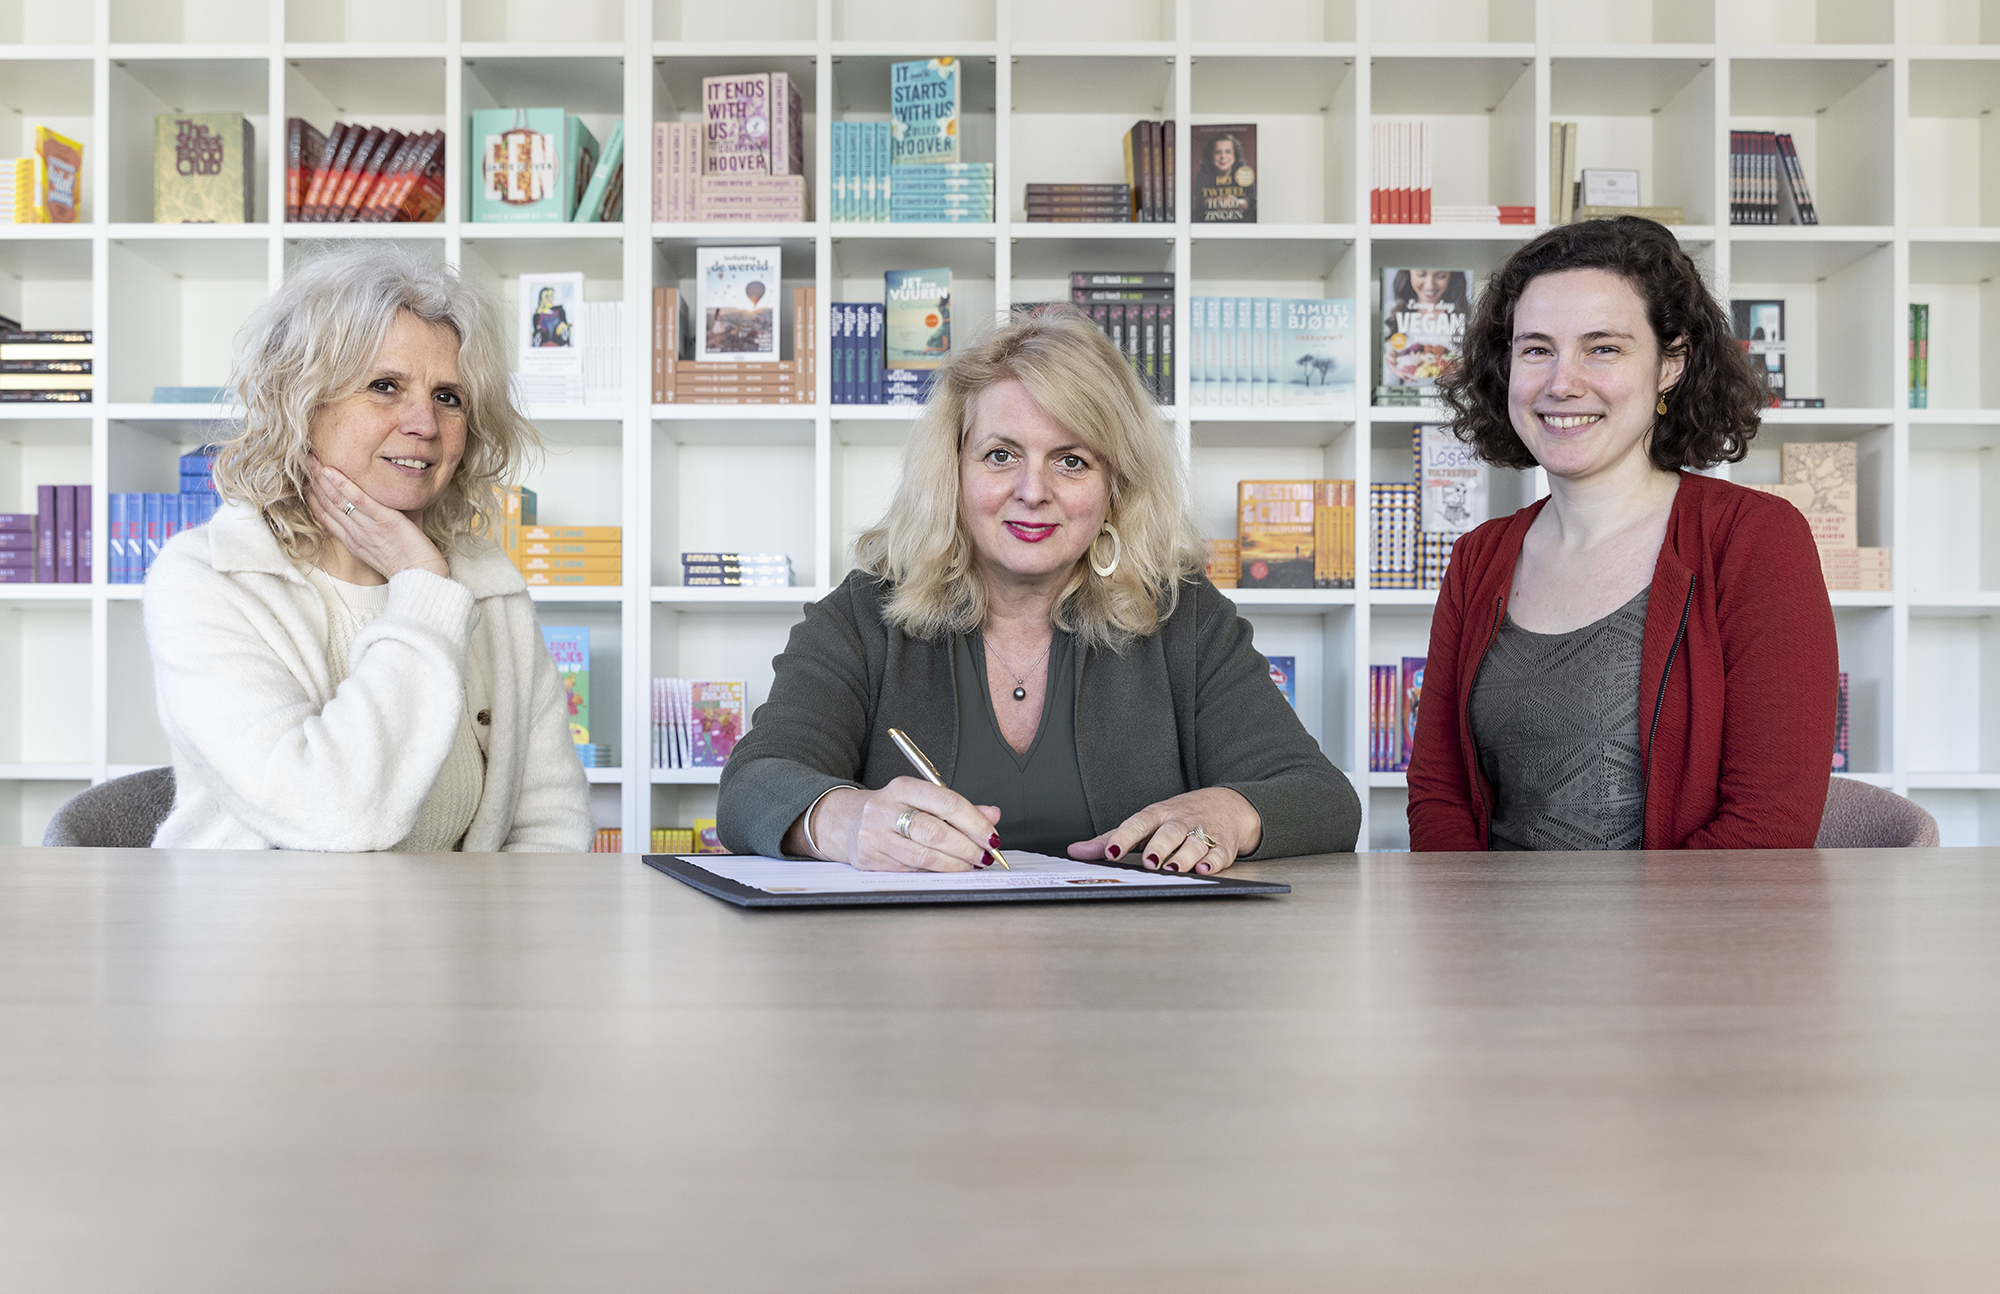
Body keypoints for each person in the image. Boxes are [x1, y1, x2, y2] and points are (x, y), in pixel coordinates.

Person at [717, 306, 1360, 872]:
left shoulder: (1184, 617)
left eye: (1071, 460)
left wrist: (1231, 810)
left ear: (1116, 485)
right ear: (955, 468)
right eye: (1001, 454)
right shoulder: (863, 614)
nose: (1032, 491)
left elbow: (1322, 797)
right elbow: (752, 785)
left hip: (1142, 982)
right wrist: (845, 821)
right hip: (909, 982)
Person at [142, 243, 593, 851]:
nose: (425, 424)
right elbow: (335, 816)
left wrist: (499, 946)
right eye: (385, 386)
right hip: (257, 940)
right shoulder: (207, 579)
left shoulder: (489, 581)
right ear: (299, 403)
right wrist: (421, 584)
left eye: (448, 397)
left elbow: (551, 828)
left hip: (461, 946)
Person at [1410, 216, 1837, 850]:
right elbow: (1438, 792)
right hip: (1492, 939)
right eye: (1536, 349)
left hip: (1685, 943)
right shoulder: (1480, 556)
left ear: (1671, 363)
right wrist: (1481, 935)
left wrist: (1628, 946)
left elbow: (1769, 823)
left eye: (1603, 347)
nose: (1562, 382)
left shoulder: (1755, 539)